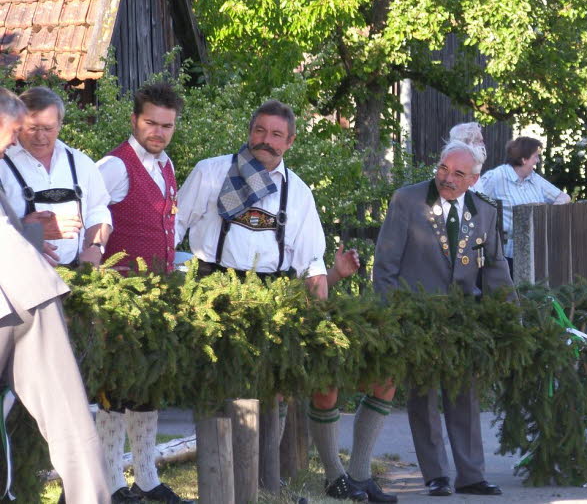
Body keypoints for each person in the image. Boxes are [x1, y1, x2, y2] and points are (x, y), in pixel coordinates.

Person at [173, 99, 395, 502]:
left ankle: (262, 481)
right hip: (214, 287)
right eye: (260, 130)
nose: (266, 141)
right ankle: (220, 481)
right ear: (249, 130)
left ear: (290, 141)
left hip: (273, 293)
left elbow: (311, 265)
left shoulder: (298, 192)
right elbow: (171, 226)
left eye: (276, 134)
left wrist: (319, 327)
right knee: (219, 385)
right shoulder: (211, 172)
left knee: (272, 387)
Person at [373, 140, 513, 497]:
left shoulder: (485, 211)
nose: (447, 178)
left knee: (464, 395)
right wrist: (391, 316)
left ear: (473, 179)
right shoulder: (407, 200)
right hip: (415, 316)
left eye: (458, 174)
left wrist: (509, 316)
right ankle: (436, 474)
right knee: (422, 396)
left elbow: (495, 268)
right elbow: (386, 265)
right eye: (443, 168)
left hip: (462, 319)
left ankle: (471, 475)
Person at [0, 88, 110, 503]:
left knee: (70, 420)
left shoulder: (79, 164)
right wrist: (33, 232)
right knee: (69, 419)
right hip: (30, 288)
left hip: (32, 294)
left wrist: (92, 250)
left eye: (48, 128)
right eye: (17, 132)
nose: (16, 143)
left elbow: (100, 214)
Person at [95, 82, 190, 503]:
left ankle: (147, 478)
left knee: (148, 388)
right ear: (134, 120)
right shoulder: (115, 166)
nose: (158, 131)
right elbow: (89, 221)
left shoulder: (167, 166)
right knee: (114, 390)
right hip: (119, 300)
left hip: (157, 301)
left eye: (166, 125)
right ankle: (111, 481)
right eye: (151, 122)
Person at [0, 87, 112, 267]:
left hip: (77, 274)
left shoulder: (81, 163)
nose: (40, 136)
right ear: (19, 124)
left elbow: (98, 210)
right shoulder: (3, 164)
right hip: (20, 276)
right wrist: (27, 228)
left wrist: (96, 247)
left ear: (60, 124)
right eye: (32, 128)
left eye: (48, 128)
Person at [473, 136, 570, 274]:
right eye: (535, 157)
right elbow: (473, 201)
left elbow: (564, 197)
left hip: (537, 251)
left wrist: (550, 209)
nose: (537, 160)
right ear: (524, 159)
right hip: (507, 255)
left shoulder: (534, 178)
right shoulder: (496, 177)